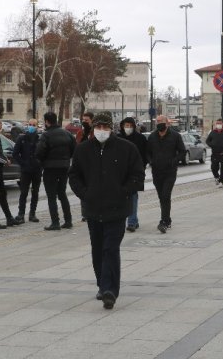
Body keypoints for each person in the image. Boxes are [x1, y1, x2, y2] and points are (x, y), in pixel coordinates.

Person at [68, 112, 145, 310]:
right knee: (97, 249)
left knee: (111, 248)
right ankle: (102, 284)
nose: (102, 131)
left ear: (112, 129)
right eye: (99, 127)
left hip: (117, 208)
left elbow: (137, 174)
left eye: (106, 127)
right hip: (93, 208)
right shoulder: (83, 149)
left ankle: (110, 290)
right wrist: (84, 194)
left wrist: (124, 191)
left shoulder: (127, 148)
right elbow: (74, 175)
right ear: (93, 129)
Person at [35, 112, 76, 231]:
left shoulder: (46, 135)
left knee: (51, 196)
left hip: (50, 168)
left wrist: (42, 162)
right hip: (64, 167)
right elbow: (75, 149)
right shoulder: (67, 134)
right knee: (62, 194)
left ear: (47, 121)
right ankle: (68, 221)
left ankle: (55, 222)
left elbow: (39, 152)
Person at [147, 115, 186, 233]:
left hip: (170, 171)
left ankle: (163, 222)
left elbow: (182, 151)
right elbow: (147, 152)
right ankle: (167, 219)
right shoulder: (152, 136)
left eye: (160, 121)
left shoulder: (175, 136)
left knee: (165, 195)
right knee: (162, 197)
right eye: (157, 121)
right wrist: (151, 161)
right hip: (157, 171)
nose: (158, 123)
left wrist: (174, 161)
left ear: (166, 123)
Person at [118, 116, 147, 232]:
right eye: (126, 126)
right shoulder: (117, 138)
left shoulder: (140, 139)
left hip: (135, 172)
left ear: (134, 127)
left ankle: (132, 222)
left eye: (130, 126)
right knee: (121, 197)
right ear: (122, 126)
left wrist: (141, 168)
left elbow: (145, 156)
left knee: (133, 196)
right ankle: (126, 220)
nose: (128, 128)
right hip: (120, 172)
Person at [12, 118, 42, 224]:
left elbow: (44, 154)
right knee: (23, 193)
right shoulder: (22, 138)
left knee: (35, 193)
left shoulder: (40, 139)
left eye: (34, 125)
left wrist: (40, 164)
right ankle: (21, 214)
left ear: (37, 126)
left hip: (37, 170)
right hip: (25, 170)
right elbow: (15, 153)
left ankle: (32, 214)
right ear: (27, 125)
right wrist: (23, 163)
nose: (32, 126)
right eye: (30, 124)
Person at [206, 118, 223, 188]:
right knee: (214, 167)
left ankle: (221, 181)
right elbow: (207, 141)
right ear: (215, 124)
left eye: (220, 123)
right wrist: (212, 145)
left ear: (222, 124)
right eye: (217, 123)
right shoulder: (212, 132)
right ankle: (217, 177)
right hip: (215, 153)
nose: (218, 125)